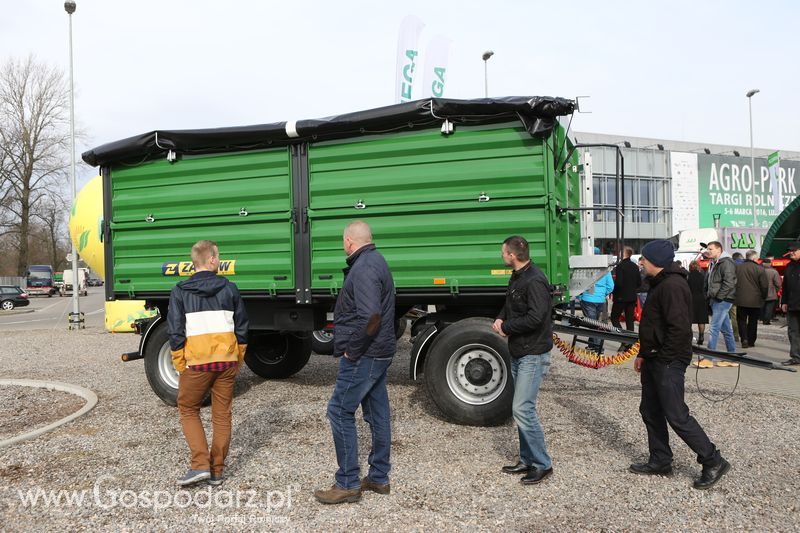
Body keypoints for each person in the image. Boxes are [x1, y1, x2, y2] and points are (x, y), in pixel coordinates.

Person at [631, 239, 731, 490]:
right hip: (655, 357)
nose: (641, 262)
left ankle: (713, 460)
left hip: (668, 360)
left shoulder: (673, 285)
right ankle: (660, 459)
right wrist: (644, 353)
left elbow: (679, 330)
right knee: (650, 410)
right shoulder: (660, 283)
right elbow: (654, 325)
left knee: (676, 414)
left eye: (644, 258)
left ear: (657, 262)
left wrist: (664, 360)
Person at [315, 221, 396, 504]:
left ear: (349, 241)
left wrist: (352, 350)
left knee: (338, 411)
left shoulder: (362, 268)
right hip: (379, 351)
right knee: (377, 413)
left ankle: (348, 482)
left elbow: (371, 316)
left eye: (343, 241)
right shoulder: (376, 260)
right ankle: (378, 477)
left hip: (366, 353)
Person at [169, 240, 249, 487]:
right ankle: (217, 471)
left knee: (188, 408)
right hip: (226, 362)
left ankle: (200, 464)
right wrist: (239, 358)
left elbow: (175, 331)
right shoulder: (231, 288)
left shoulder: (180, 290)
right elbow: (243, 327)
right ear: (212, 260)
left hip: (197, 364)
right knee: (222, 415)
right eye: (219, 257)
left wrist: (180, 363)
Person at [494, 236, 554, 485]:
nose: (501, 255)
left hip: (533, 353)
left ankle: (542, 464)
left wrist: (507, 327)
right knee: (520, 409)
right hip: (519, 351)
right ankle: (527, 459)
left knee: (522, 408)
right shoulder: (518, 276)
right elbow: (511, 306)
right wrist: (500, 318)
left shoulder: (535, 280)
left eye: (503, 252)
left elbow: (537, 318)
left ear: (512, 255)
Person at [703, 241, 737, 366]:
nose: (708, 251)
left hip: (722, 300)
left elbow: (729, 282)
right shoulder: (714, 262)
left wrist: (719, 297)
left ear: (719, 249)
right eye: (708, 249)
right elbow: (710, 281)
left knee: (714, 329)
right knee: (727, 330)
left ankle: (708, 358)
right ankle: (732, 358)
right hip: (718, 299)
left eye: (711, 249)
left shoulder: (726, 262)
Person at [734, 250, 768, 348]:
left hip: (740, 299)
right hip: (755, 300)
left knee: (741, 320)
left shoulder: (738, 268)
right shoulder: (759, 269)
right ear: (754, 258)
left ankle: (744, 338)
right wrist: (764, 297)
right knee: (753, 321)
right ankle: (751, 340)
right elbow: (764, 286)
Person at [580, 271, 614, 353]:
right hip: (600, 300)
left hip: (587, 298)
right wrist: (602, 294)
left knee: (593, 324)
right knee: (596, 323)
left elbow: (579, 283)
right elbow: (611, 286)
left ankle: (598, 348)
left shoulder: (585, 268)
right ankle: (591, 345)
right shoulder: (606, 270)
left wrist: (580, 296)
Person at [610, 247, 640, 332]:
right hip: (632, 297)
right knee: (629, 320)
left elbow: (618, 283)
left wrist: (614, 292)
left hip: (620, 297)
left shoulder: (620, 266)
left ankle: (622, 337)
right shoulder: (635, 266)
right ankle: (630, 342)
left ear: (624, 254)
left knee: (614, 318)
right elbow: (639, 282)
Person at [781, 242, 800, 366]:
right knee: (793, 332)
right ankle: (796, 357)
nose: (791, 253)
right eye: (790, 251)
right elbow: (785, 286)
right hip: (792, 305)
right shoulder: (789, 266)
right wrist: (784, 302)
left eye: (794, 251)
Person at [687, 261, 708, 345]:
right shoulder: (702, 276)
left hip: (690, 299)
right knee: (701, 319)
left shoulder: (688, 277)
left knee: (689, 319)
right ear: (698, 267)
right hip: (701, 299)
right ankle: (701, 336)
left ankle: (690, 337)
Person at [761, 256, 782, 325]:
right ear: (770, 264)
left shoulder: (759, 270)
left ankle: (761, 318)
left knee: (762, 306)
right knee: (769, 307)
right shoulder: (774, 272)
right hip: (771, 293)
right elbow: (778, 284)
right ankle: (766, 320)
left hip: (760, 292)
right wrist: (775, 290)